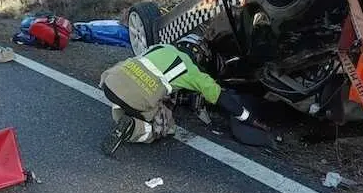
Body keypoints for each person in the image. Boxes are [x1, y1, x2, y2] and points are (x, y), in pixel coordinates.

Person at [99, 42, 267, 156]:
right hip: (137, 97)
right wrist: (248, 118)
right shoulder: (191, 71)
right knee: (165, 128)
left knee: (127, 97)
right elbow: (221, 98)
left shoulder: (161, 47)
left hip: (110, 82)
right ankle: (133, 128)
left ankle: (122, 116)